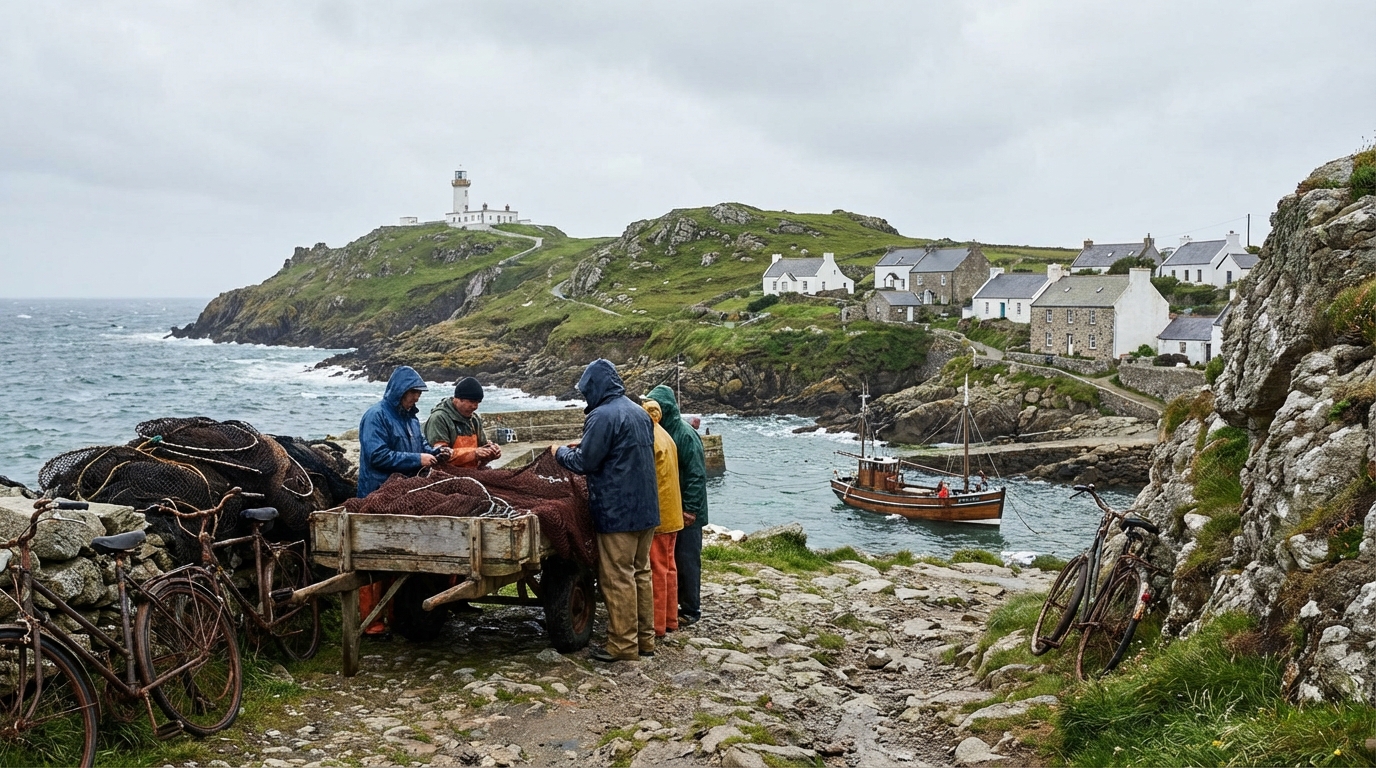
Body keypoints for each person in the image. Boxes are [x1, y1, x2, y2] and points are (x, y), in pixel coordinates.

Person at [554, 359, 659, 662]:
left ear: (594, 388)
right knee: (641, 573)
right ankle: (645, 640)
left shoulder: (601, 415)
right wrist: (585, 444)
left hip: (617, 512)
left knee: (617, 578)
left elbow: (585, 463)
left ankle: (623, 646)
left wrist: (559, 452)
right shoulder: (639, 413)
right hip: (646, 509)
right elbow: (620, 450)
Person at [357, 366, 446, 638]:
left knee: (401, 563)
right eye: (413, 393)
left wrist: (435, 452)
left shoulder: (411, 420)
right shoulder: (376, 416)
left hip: (405, 498)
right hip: (376, 496)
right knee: (373, 564)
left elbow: (420, 445)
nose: (417, 398)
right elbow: (377, 456)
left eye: (418, 393)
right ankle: (370, 625)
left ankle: (396, 617)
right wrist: (417, 460)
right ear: (399, 392)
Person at [645, 385, 708, 628]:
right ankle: (675, 606)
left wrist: (691, 509)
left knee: (687, 560)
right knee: (672, 560)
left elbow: (696, 475)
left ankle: (691, 609)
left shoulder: (684, 434)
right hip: (673, 508)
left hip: (689, 511)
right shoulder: (663, 431)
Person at [641, 398, 684, 638]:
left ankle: (656, 625)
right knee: (669, 568)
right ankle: (670, 619)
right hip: (674, 514)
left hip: (660, 515)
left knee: (656, 570)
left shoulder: (650, 438)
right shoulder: (667, 436)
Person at [424, 376, 502, 469]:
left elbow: (482, 448)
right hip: (447, 473)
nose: (475, 406)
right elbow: (440, 455)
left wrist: (492, 452)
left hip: (472, 472)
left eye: (478, 402)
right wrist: (474, 453)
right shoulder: (439, 418)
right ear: (458, 399)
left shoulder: (474, 419)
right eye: (472, 401)